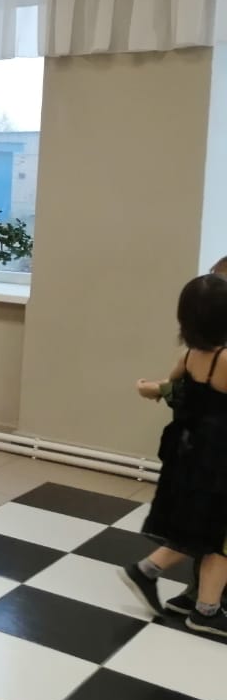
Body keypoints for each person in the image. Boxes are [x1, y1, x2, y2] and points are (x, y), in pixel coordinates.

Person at [122, 272, 227, 639]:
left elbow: (173, 389)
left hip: (193, 454)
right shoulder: (226, 359)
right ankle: (206, 611)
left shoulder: (190, 356)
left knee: (199, 527)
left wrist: (148, 388)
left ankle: (149, 572)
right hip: (221, 461)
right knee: (219, 538)